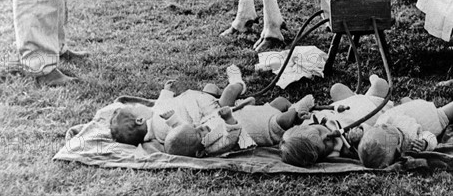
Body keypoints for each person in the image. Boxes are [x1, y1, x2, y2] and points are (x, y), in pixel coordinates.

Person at [110, 65, 247, 146]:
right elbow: (185, 130)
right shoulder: (161, 128)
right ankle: (238, 83)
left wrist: (166, 91)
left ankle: (230, 100)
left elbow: (160, 103)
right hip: (209, 113)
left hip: (201, 101)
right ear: (140, 120)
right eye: (134, 108)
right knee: (229, 92)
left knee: (210, 87)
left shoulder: (154, 116)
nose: (137, 105)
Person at [279, 75, 393, 167]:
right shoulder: (342, 149)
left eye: (319, 132)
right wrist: (360, 135)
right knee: (381, 85)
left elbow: (309, 113)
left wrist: (304, 115)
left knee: (336, 88)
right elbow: (368, 146)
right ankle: (373, 90)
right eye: (323, 144)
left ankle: (358, 95)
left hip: (349, 103)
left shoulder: (309, 124)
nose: (326, 136)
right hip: (372, 108)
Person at [164, 94, 314, 157]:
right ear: (199, 153)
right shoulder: (213, 147)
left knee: (280, 101)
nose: (200, 128)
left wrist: (172, 120)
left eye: (196, 127)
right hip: (266, 128)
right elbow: (231, 138)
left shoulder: (199, 132)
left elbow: (185, 130)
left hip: (256, 113)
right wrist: (229, 119)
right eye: (198, 134)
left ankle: (295, 112)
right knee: (283, 120)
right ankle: (299, 110)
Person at [358, 99, 453, 168]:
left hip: (410, 108)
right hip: (432, 116)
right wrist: (425, 143)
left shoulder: (381, 124)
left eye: (382, 127)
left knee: (406, 102)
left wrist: (361, 130)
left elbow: (371, 132)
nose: (385, 125)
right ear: (399, 148)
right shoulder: (411, 140)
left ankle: (408, 100)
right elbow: (428, 135)